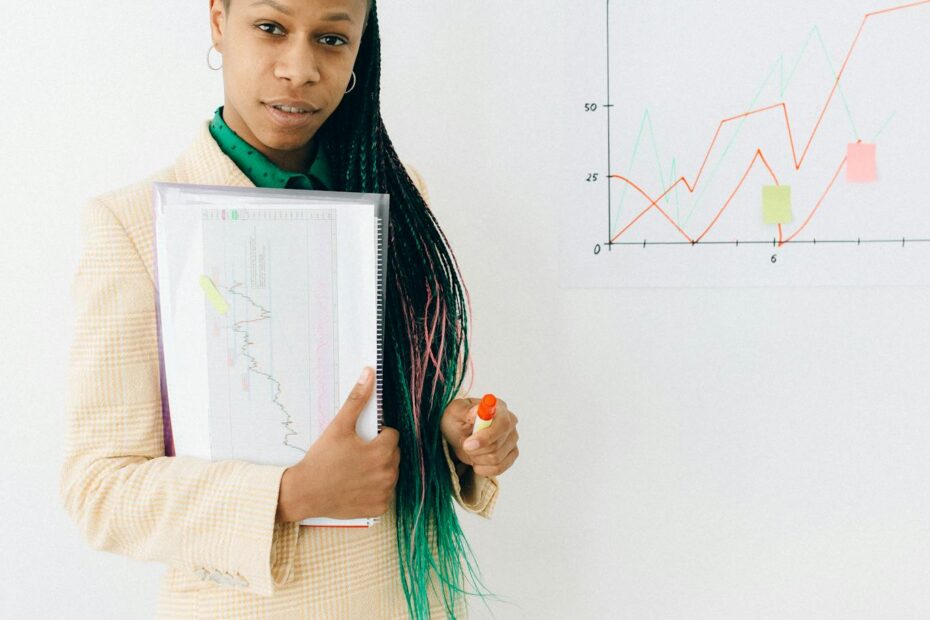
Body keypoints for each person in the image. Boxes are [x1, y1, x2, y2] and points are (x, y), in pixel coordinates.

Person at [58, 0, 521, 618]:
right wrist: (289, 494)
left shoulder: (399, 196)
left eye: (332, 38)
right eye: (271, 28)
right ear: (219, 20)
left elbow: (405, 412)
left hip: (411, 598)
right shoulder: (134, 226)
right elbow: (98, 488)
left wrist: (455, 434)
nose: (300, 69)